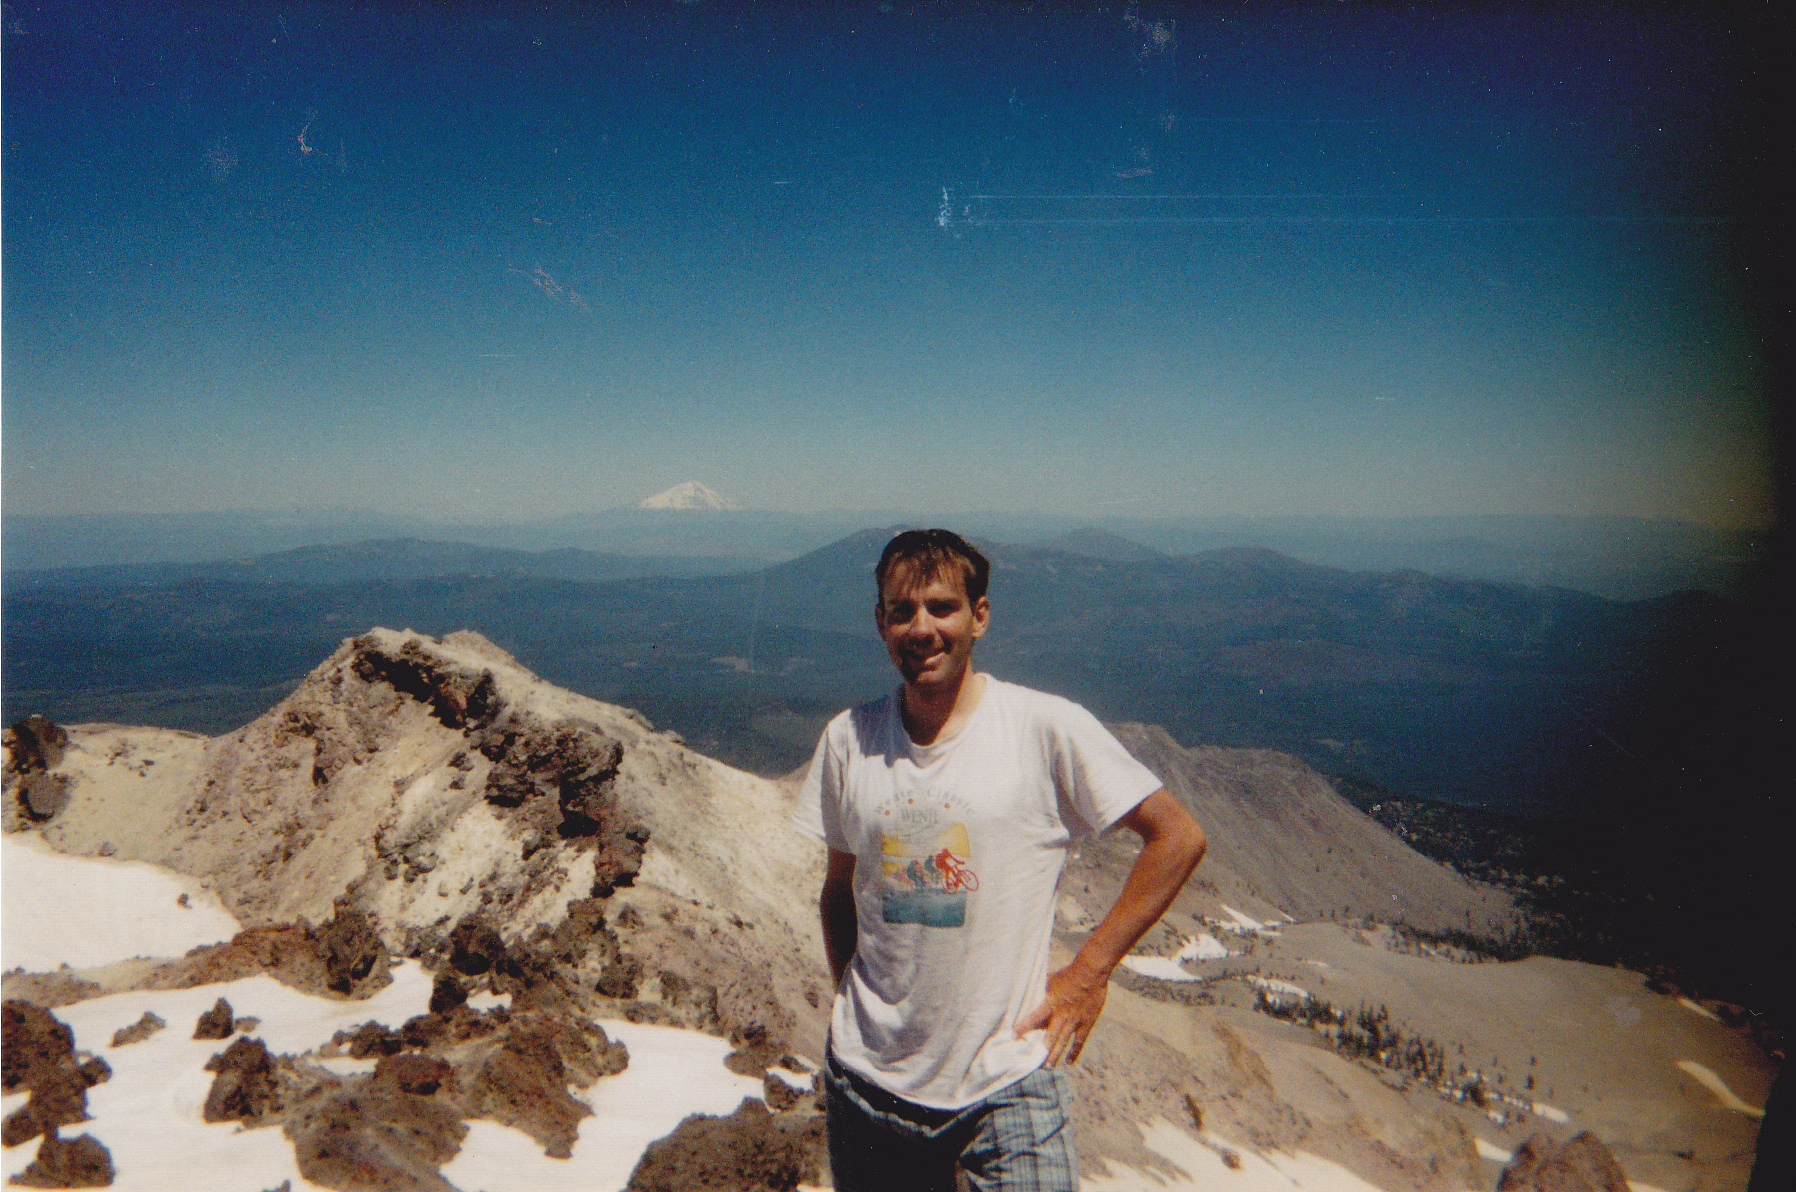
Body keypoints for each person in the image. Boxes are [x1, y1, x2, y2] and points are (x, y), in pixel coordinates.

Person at [791, 528, 1207, 1192]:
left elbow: (1177, 837)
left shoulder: (1044, 727)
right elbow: (839, 888)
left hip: (1007, 1084)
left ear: (979, 616)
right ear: (880, 625)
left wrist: (1090, 972)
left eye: (941, 607)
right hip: (867, 1091)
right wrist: (851, 1003)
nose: (922, 628)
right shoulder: (849, 740)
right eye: (903, 612)